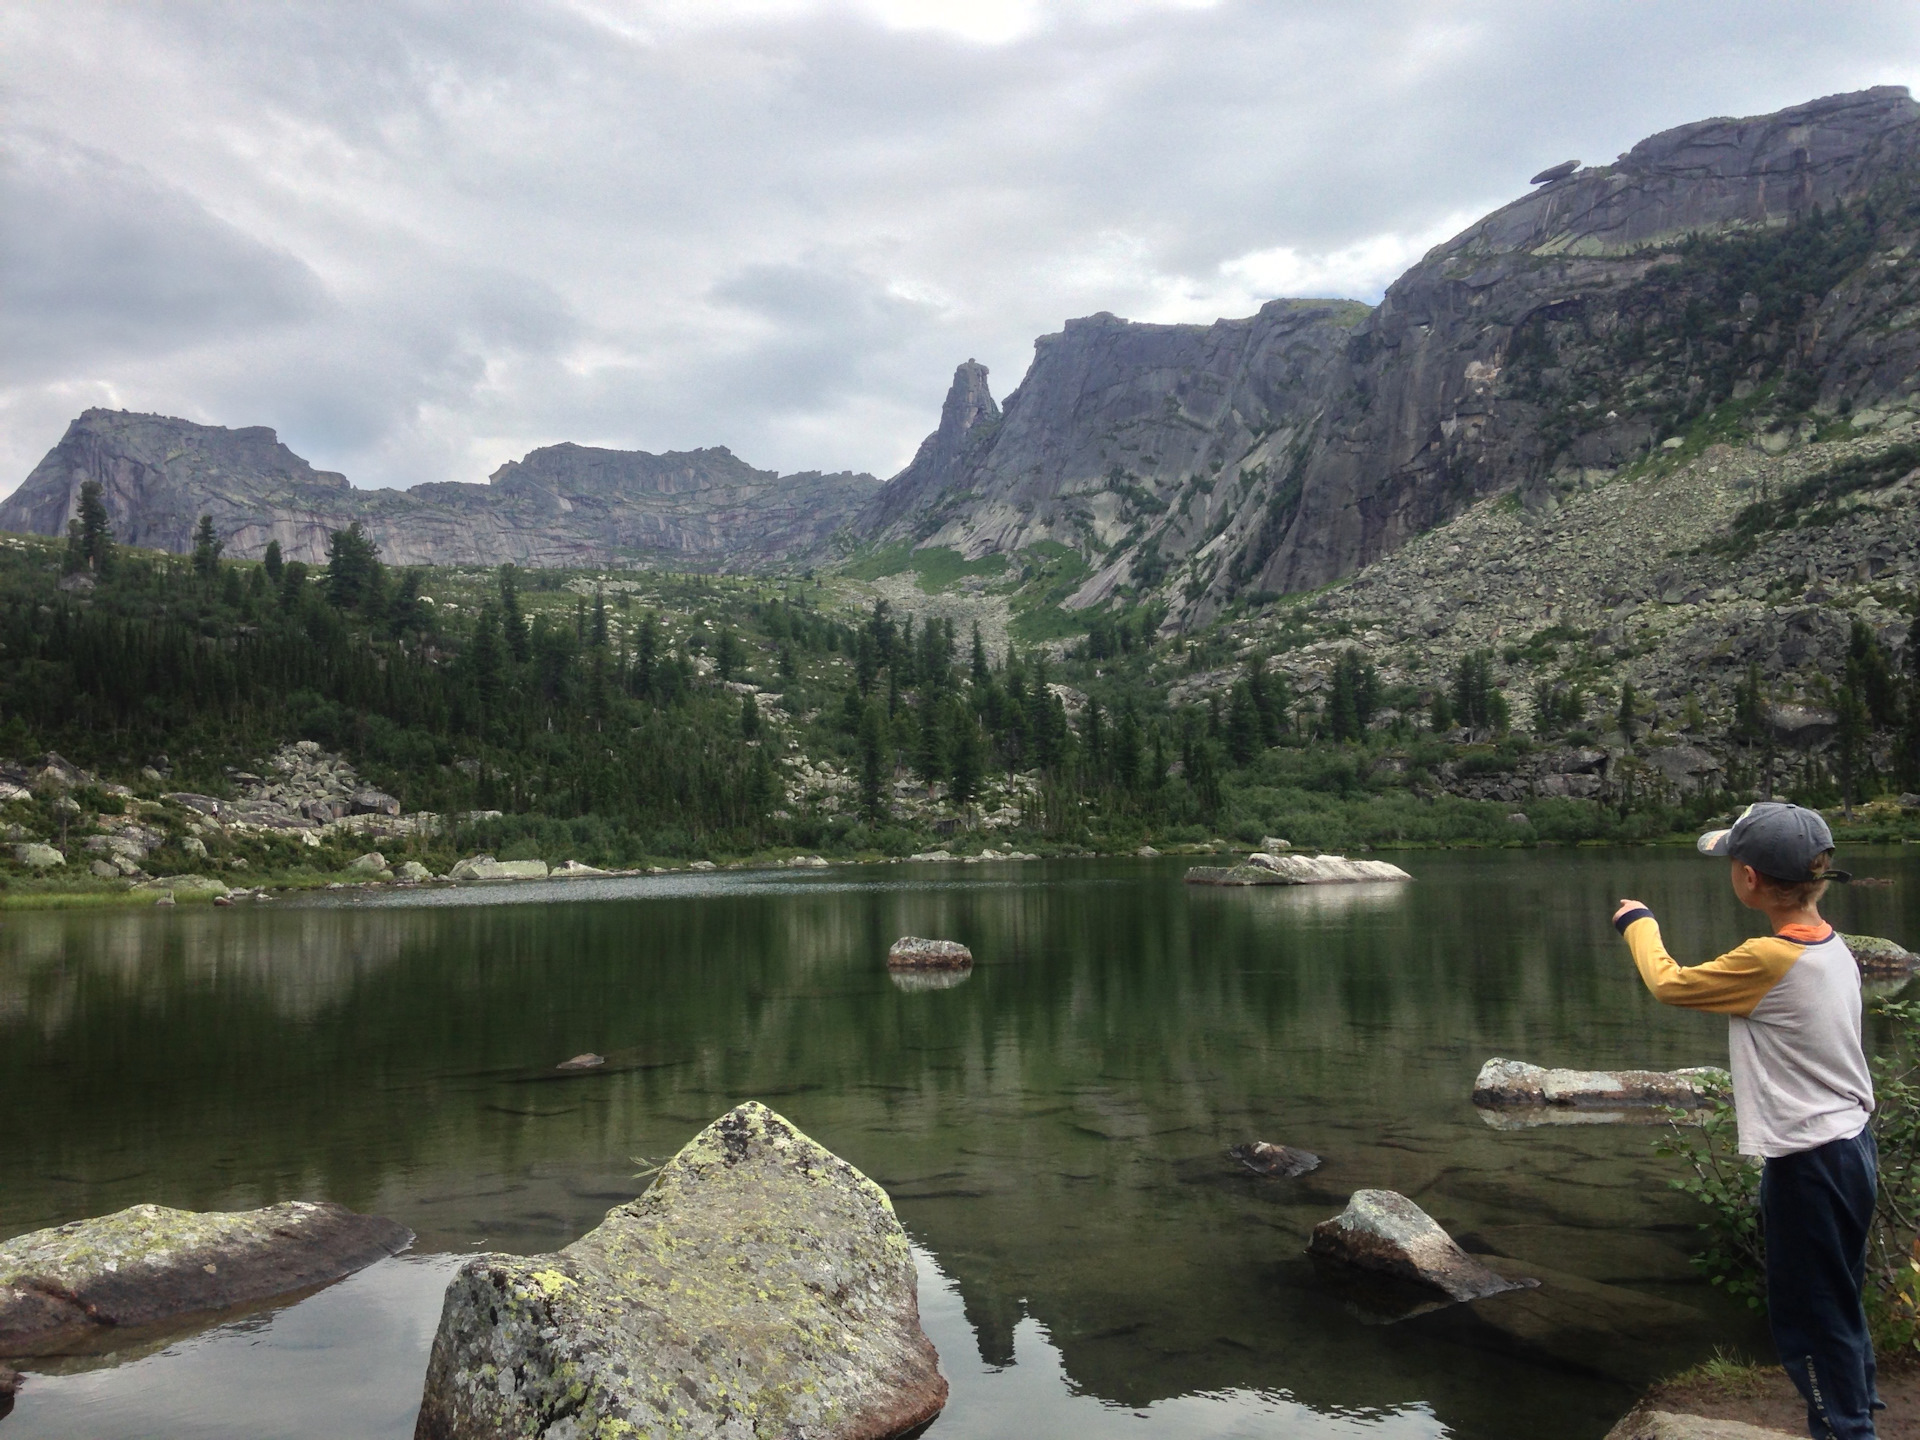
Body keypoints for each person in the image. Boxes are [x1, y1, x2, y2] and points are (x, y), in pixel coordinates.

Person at [1613, 801, 1875, 1440]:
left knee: (1808, 1316)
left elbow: (1670, 984)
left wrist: (1637, 922)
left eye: (1734, 859)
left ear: (1751, 879)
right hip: (1849, 1145)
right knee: (1837, 1298)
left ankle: (1846, 1429)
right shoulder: (1829, 942)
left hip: (1810, 1159)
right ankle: (1856, 1410)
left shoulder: (1770, 958)